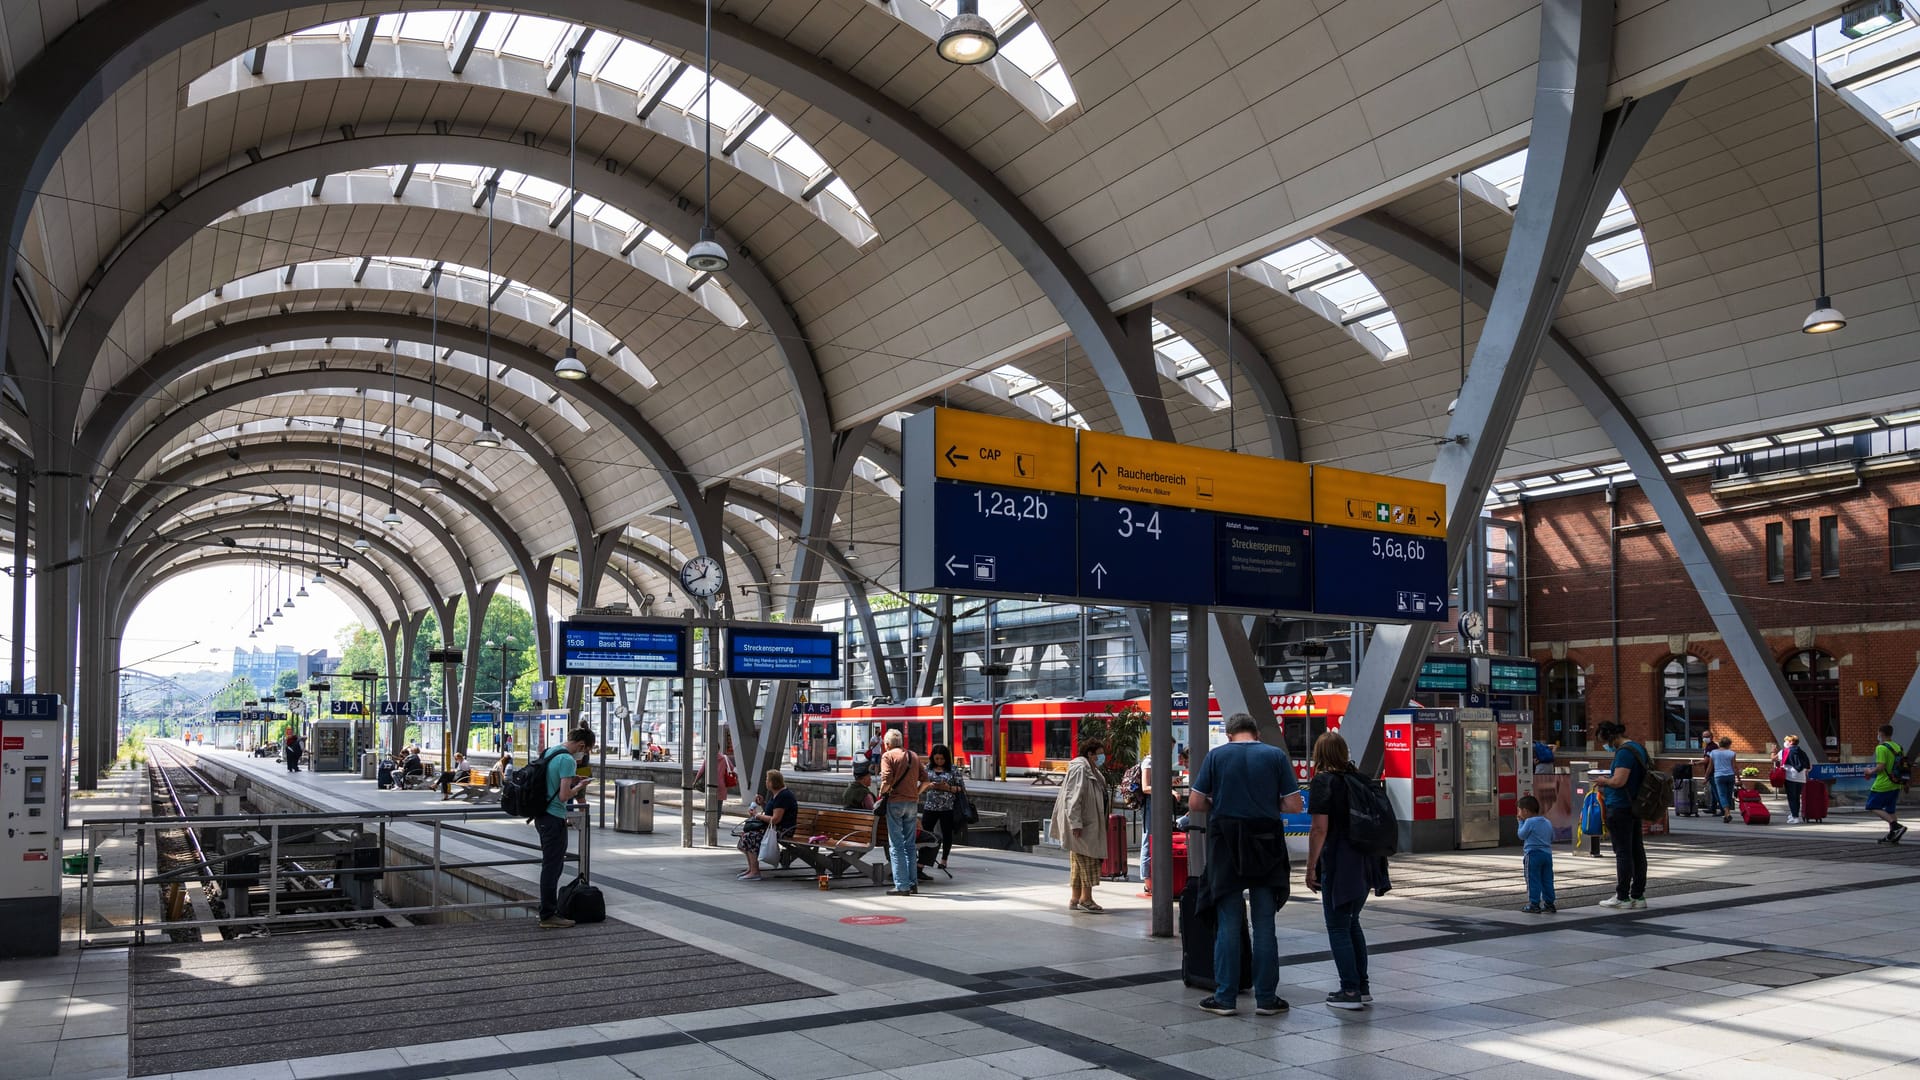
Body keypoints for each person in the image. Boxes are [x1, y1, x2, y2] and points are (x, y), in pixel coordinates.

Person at [1190, 714, 1302, 1016]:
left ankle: (1225, 998)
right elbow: (1294, 805)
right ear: (1256, 733)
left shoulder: (1217, 756)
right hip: (1266, 845)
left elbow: (1196, 804)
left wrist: (1221, 802)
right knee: (1264, 924)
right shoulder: (1274, 755)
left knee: (1228, 922)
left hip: (1226, 844)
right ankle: (1266, 999)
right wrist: (1268, 803)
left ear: (1229, 735)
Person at [1304, 730, 1386, 1012]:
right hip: (1366, 861)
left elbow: (1319, 829)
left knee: (1337, 925)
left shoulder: (1323, 782)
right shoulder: (1359, 779)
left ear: (1319, 755)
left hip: (1340, 862)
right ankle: (1361, 987)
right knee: (1352, 922)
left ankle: (1349, 990)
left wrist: (1311, 865)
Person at [533, 727, 594, 929]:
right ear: (582, 745)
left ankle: (548, 911)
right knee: (552, 867)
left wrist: (571, 780)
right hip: (554, 816)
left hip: (541, 815)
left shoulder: (551, 751)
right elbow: (564, 796)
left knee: (550, 865)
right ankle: (548, 915)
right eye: (586, 751)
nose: (584, 755)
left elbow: (553, 782)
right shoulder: (567, 759)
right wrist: (579, 786)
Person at [1589, 720, 1649, 910]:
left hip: (1621, 807)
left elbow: (1619, 781)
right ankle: (1638, 896)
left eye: (1604, 742)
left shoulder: (1624, 753)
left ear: (1612, 737)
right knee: (1637, 851)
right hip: (1634, 805)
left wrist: (1603, 781)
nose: (1605, 746)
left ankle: (1622, 896)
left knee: (1623, 853)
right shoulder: (1638, 748)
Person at [1050, 737, 1110, 913]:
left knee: (1078, 861)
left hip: (1087, 822)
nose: (1102, 757)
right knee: (1089, 860)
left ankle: (1076, 897)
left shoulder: (1091, 769)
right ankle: (1087, 898)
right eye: (1099, 754)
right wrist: (1075, 823)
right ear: (1090, 754)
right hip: (1083, 824)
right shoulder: (1080, 769)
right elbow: (1073, 797)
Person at [877, 729, 928, 896]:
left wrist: (882, 793)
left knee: (896, 845)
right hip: (912, 803)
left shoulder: (888, 756)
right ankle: (913, 883)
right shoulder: (913, 755)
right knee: (910, 845)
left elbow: (886, 780)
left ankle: (901, 886)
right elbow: (926, 780)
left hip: (895, 803)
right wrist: (916, 793)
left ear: (888, 744)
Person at [737, 770, 798, 881]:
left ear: (771, 782)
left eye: (767, 780)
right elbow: (771, 813)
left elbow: (775, 819)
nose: (766, 782)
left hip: (783, 830)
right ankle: (751, 869)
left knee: (751, 837)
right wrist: (763, 804)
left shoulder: (783, 796)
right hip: (774, 828)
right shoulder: (776, 795)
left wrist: (756, 816)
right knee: (745, 835)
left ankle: (755, 871)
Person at [920, 744, 966, 871]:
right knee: (925, 834)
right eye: (937, 759)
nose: (939, 761)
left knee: (947, 834)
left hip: (947, 808)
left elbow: (961, 788)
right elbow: (921, 786)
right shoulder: (927, 769)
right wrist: (929, 786)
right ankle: (922, 862)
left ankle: (944, 860)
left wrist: (948, 788)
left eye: (942, 759)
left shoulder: (953, 769)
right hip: (930, 806)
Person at [1869, 724, 1908, 844]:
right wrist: (1905, 782)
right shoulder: (1898, 747)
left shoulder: (1881, 748)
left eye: (1878, 733)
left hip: (1883, 784)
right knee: (1890, 810)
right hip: (1896, 783)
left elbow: (1881, 767)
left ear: (1881, 733)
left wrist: (1870, 771)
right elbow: (1904, 766)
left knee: (1872, 806)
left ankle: (1895, 826)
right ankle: (1893, 835)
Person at [1517, 794, 1555, 914]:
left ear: (1525, 811)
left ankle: (1534, 904)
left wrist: (1520, 823)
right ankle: (1549, 903)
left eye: (1519, 810)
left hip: (1532, 854)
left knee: (1532, 879)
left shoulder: (1529, 822)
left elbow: (1521, 835)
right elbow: (1552, 837)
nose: (1518, 813)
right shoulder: (1547, 821)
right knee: (1547, 879)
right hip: (1547, 855)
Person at [1778, 734, 1811, 823]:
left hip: (1790, 777)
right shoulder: (1802, 752)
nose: (1785, 743)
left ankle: (1795, 817)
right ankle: (1794, 814)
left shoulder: (1785, 751)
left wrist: (1773, 752)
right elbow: (1808, 765)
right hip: (1801, 778)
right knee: (1797, 797)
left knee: (1791, 797)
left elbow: (1776, 760)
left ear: (1791, 742)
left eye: (1786, 741)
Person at [1707, 737, 1738, 824]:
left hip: (1719, 776)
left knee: (1722, 795)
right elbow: (1734, 766)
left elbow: (1710, 766)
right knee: (1728, 795)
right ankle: (1726, 814)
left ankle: (1727, 813)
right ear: (1728, 744)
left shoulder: (1713, 753)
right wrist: (1738, 778)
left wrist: (1706, 776)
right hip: (1730, 776)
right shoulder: (1732, 753)